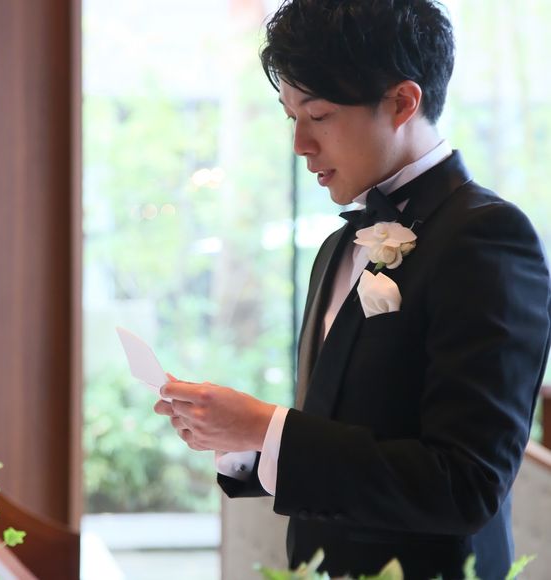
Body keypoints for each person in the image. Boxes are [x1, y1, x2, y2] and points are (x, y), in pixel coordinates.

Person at [154, 1, 551, 578]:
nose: (300, 144)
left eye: (318, 115)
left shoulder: (487, 237)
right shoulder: (338, 245)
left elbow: (466, 484)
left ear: (402, 102)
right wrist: (241, 437)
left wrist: (266, 425)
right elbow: (347, 435)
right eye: (290, 116)